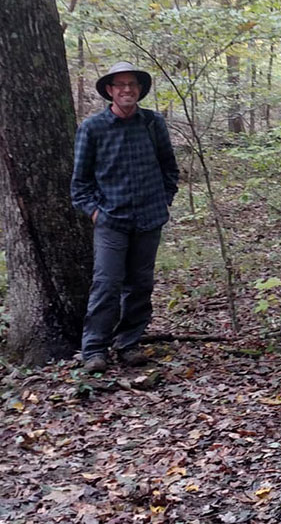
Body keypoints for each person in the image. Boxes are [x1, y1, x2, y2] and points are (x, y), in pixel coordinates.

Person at [72, 61, 180, 373]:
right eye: (120, 85)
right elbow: (80, 183)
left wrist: (164, 201)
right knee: (106, 284)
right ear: (110, 91)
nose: (127, 90)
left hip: (149, 219)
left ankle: (128, 343)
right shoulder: (92, 129)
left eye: (132, 84)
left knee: (140, 284)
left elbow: (169, 168)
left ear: (140, 89)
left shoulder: (152, 123)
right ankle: (94, 350)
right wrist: (95, 213)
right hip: (111, 221)